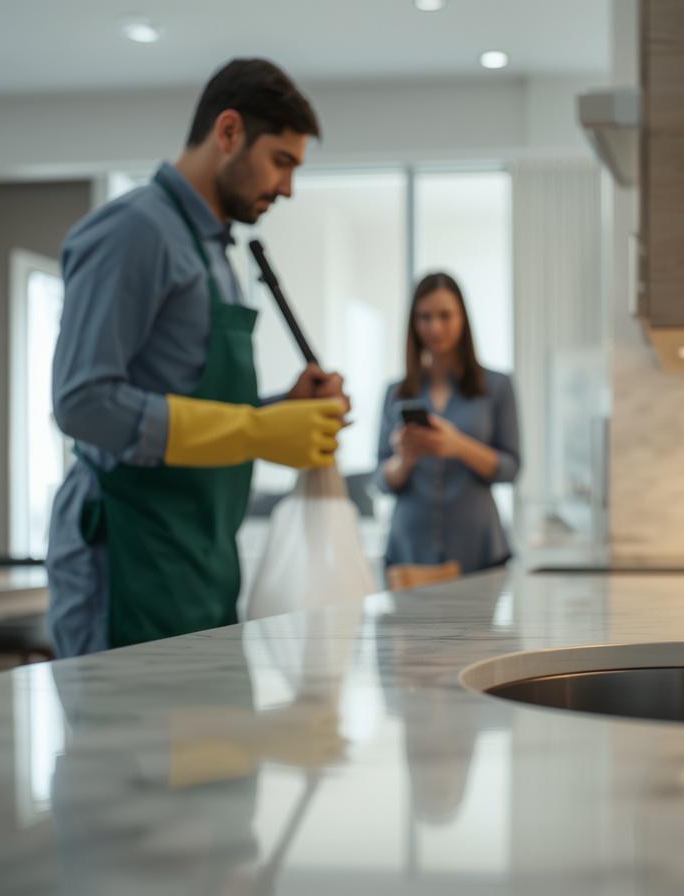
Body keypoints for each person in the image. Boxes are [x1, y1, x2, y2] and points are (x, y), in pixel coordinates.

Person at [46, 59, 349, 657]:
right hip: (130, 557)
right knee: (125, 747)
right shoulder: (135, 232)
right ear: (229, 132)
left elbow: (197, 405)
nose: (287, 187)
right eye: (281, 161)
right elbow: (82, 402)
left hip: (200, 557)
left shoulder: (214, 252)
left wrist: (282, 410)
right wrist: (257, 429)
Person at [376, 273, 520, 573]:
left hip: (479, 550)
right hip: (408, 550)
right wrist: (404, 460)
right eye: (424, 317)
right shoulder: (396, 392)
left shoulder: (497, 386)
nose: (435, 327)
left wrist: (458, 446)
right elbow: (380, 480)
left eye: (445, 316)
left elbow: (510, 468)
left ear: (462, 319)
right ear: (413, 324)